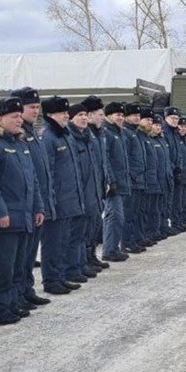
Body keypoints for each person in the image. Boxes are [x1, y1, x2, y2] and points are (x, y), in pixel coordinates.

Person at [0, 97, 45, 324]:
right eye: (14, 116)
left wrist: (38, 207)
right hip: (5, 218)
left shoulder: (20, 143)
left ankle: (13, 302)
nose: (19, 120)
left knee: (19, 265)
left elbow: (32, 179)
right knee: (3, 267)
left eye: (19, 116)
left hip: (24, 214)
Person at [11, 87, 53, 308]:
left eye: (37, 107)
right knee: (20, 256)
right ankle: (17, 293)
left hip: (36, 201)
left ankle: (27, 289)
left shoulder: (33, 133)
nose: (36, 111)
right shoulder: (19, 135)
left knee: (29, 254)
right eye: (31, 107)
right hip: (22, 204)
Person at [40, 96, 85, 292]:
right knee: (52, 243)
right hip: (57, 200)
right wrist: (50, 199)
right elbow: (47, 171)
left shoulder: (64, 134)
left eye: (67, 112)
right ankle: (51, 280)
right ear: (50, 115)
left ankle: (60, 276)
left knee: (63, 241)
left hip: (69, 199)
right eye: (62, 113)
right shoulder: (48, 137)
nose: (67, 116)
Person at [67, 103, 102, 280]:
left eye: (85, 114)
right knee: (76, 234)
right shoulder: (71, 138)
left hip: (91, 192)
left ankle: (85, 261)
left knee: (88, 230)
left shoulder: (88, 137)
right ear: (71, 118)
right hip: (79, 194)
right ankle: (74, 267)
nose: (83, 118)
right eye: (79, 114)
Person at [80, 96, 110, 271]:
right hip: (88, 187)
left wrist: (105, 180)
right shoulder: (87, 135)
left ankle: (91, 256)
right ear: (90, 115)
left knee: (95, 223)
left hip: (98, 186)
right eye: (100, 114)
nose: (102, 117)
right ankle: (84, 258)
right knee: (87, 225)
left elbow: (102, 162)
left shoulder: (99, 134)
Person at [100, 102, 130, 263]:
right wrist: (110, 181)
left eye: (122, 115)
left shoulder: (119, 133)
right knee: (114, 216)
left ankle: (113, 248)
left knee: (119, 216)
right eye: (117, 115)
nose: (120, 118)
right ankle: (109, 250)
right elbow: (106, 159)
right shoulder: (107, 133)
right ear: (108, 116)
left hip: (121, 181)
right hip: (114, 184)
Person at [121, 103, 146, 253]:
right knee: (128, 213)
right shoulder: (126, 134)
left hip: (139, 179)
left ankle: (133, 240)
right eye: (134, 115)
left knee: (135, 213)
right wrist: (132, 175)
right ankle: (126, 243)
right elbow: (126, 159)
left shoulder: (136, 133)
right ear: (127, 117)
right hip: (132, 180)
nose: (137, 118)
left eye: (138, 116)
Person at [136, 110, 161, 247]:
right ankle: (139, 237)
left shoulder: (148, 137)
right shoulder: (138, 136)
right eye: (148, 120)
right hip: (142, 179)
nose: (151, 123)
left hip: (152, 179)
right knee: (139, 212)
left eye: (152, 121)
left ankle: (146, 234)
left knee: (150, 209)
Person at [150, 113, 173, 242]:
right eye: (155, 125)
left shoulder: (161, 139)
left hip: (165, 178)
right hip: (156, 178)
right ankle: (153, 230)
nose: (158, 127)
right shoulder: (151, 140)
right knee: (154, 208)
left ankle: (161, 227)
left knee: (164, 204)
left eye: (159, 125)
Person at [162, 107, 184, 236]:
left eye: (177, 118)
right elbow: (166, 155)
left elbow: (178, 153)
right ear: (166, 118)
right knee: (166, 201)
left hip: (175, 171)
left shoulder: (175, 132)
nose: (175, 120)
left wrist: (179, 167)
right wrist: (171, 168)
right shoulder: (164, 132)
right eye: (172, 118)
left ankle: (174, 223)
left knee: (175, 199)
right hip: (168, 171)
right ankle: (165, 226)